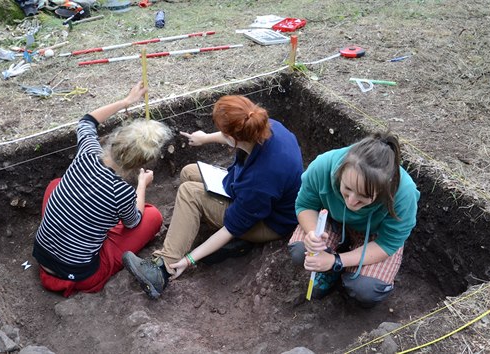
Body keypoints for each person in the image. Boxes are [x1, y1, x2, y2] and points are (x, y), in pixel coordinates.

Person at [122, 95, 304, 299]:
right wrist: (206, 137)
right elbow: (234, 134)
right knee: (189, 172)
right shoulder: (265, 125)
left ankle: (163, 269)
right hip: (253, 196)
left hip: (268, 222)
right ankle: (197, 227)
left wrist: (189, 259)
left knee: (189, 193)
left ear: (233, 138)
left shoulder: (261, 179)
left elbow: (232, 227)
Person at [32, 81, 171, 297]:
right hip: (82, 276)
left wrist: (126, 101)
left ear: (116, 137)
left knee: (55, 185)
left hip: (43, 257)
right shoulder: (121, 191)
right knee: (151, 216)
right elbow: (134, 222)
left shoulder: (87, 152)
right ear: (139, 165)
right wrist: (142, 185)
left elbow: (87, 121)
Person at [289, 132, 420, 307]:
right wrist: (313, 234)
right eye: (347, 189)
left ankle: (339, 266)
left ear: (383, 190)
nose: (351, 201)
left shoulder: (403, 193)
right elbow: (305, 205)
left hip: (374, 234)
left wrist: (336, 261)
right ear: (340, 172)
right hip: (334, 220)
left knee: (366, 290)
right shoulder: (323, 166)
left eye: (364, 197)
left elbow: (388, 243)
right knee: (301, 251)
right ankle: (331, 265)